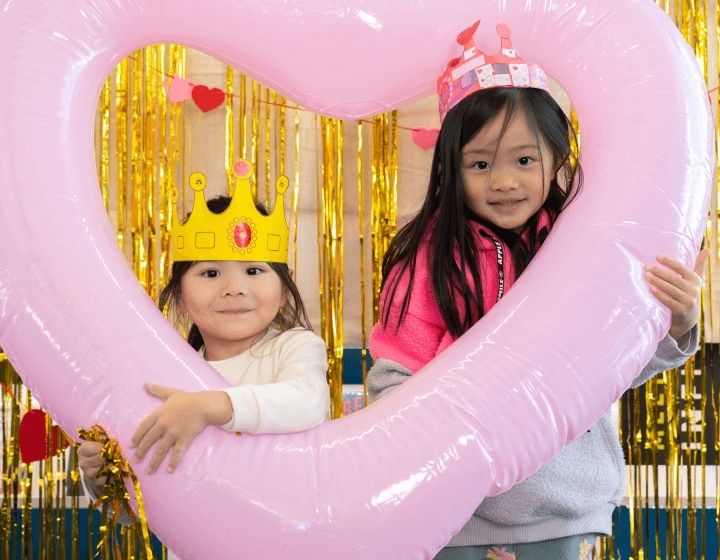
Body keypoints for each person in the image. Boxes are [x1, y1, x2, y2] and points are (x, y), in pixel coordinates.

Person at [366, 20, 706, 560]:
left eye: (524, 160)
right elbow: (394, 374)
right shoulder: (429, 259)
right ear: (451, 171)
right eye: (480, 164)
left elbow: (610, 365)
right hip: (457, 513)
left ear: (556, 157)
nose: (503, 182)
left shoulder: (583, 243)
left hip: (562, 508)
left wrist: (677, 324)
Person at [79, 162, 330, 501]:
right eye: (210, 274)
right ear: (180, 296)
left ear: (284, 291)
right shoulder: (168, 377)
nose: (234, 288)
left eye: (254, 270)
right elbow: (137, 507)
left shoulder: (295, 347)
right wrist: (99, 476)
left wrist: (210, 407)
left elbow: (308, 402)